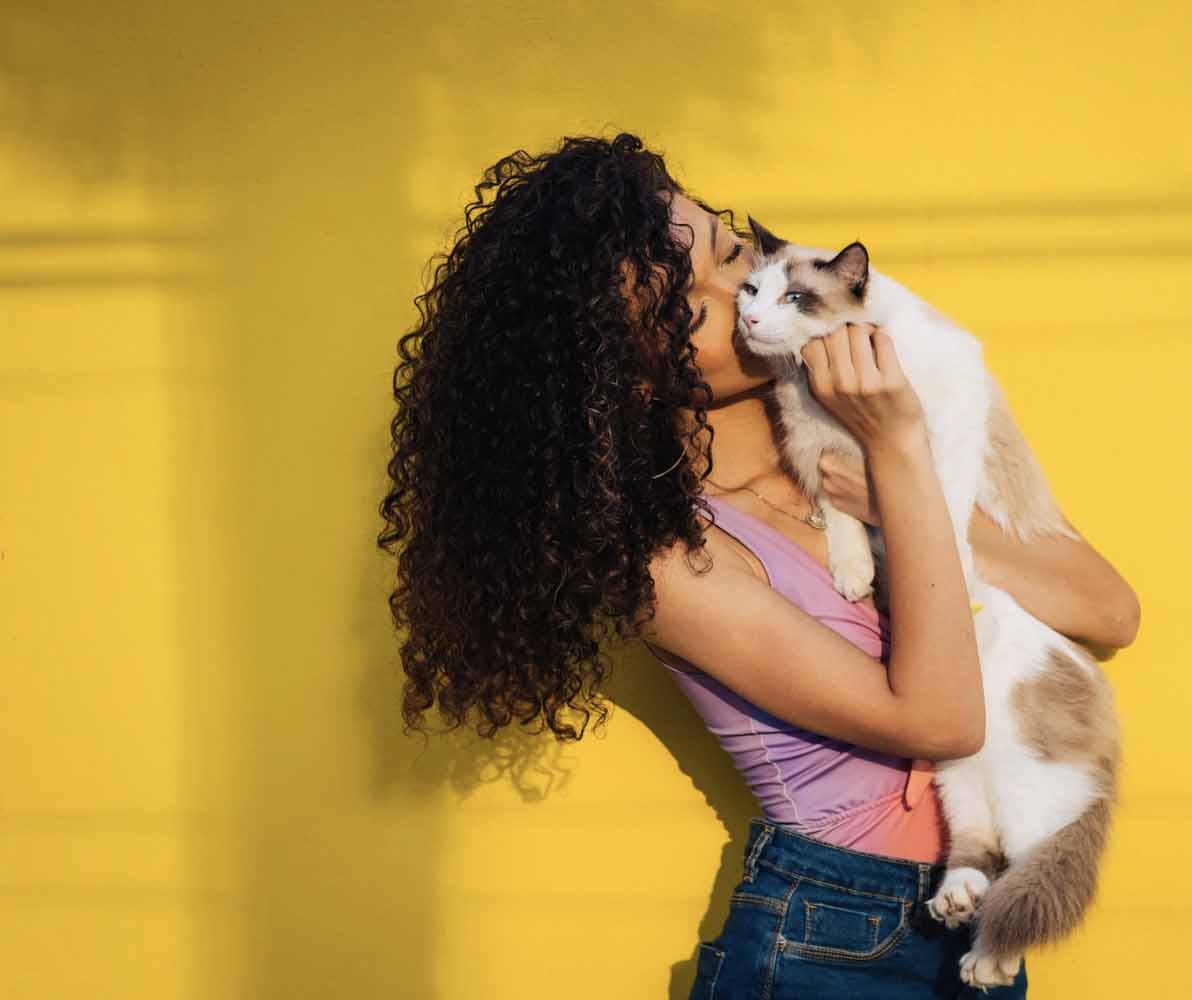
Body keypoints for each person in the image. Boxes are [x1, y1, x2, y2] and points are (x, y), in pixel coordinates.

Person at [380, 133, 1140, 998]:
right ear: (627, 375)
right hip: (828, 938)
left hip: (975, 915)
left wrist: (900, 466)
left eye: (733, 254)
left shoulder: (899, 412)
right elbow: (939, 721)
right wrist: (899, 464)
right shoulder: (664, 560)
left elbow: (1108, 608)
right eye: (686, 305)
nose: (741, 294)